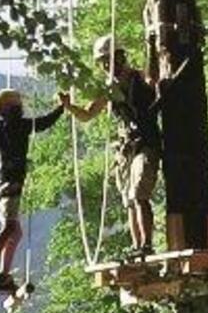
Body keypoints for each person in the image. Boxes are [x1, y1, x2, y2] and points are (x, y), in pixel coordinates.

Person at [65, 36, 183, 258]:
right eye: (105, 63)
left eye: (112, 60)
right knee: (129, 199)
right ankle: (137, 245)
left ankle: (147, 244)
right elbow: (88, 114)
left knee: (139, 193)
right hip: (126, 147)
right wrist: (69, 107)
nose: (109, 66)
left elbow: (153, 78)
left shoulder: (138, 78)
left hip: (146, 142)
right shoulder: (108, 88)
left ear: (121, 58)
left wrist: (150, 48)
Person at [0, 86, 71, 285]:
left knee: (15, 231)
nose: (20, 108)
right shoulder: (20, 126)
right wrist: (62, 107)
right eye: (17, 105)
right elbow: (44, 123)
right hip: (9, 183)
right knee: (10, 227)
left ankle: (3, 274)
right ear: (11, 107)